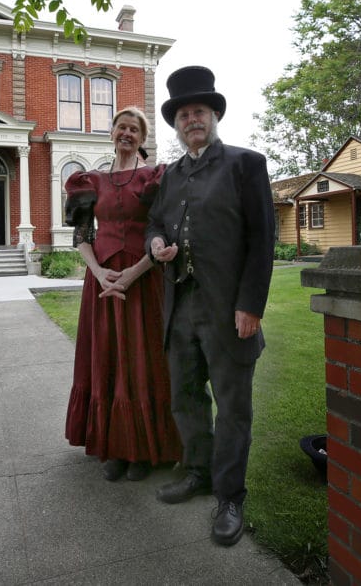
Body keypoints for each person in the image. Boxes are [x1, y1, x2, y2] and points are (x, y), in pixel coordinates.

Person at [145, 66, 275, 546]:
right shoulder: (171, 176)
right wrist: (157, 241)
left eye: (198, 111)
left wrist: (251, 306)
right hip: (180, 306)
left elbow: (263, 239)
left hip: (229, 310)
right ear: (176, 125)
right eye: (183, 114)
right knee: (186, 396)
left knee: (233, 406)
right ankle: (197, 472)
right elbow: (153, 223)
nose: (191, 120)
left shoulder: (245, 164)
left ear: (214, 115)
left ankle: (229, 495)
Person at [64, 106, 183, 482]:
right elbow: (82, 237)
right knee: (108, 356)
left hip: (143, 278)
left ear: (142, 138)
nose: (127, 133)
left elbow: (164, 229)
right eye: (121, 127)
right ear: (112, 132)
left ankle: (145, 450)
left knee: (142, 358)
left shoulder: (154, 178)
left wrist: (132, 274)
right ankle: (114, 447)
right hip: (102, 283)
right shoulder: (91, 181)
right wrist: (100, 274)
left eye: (134, 129)